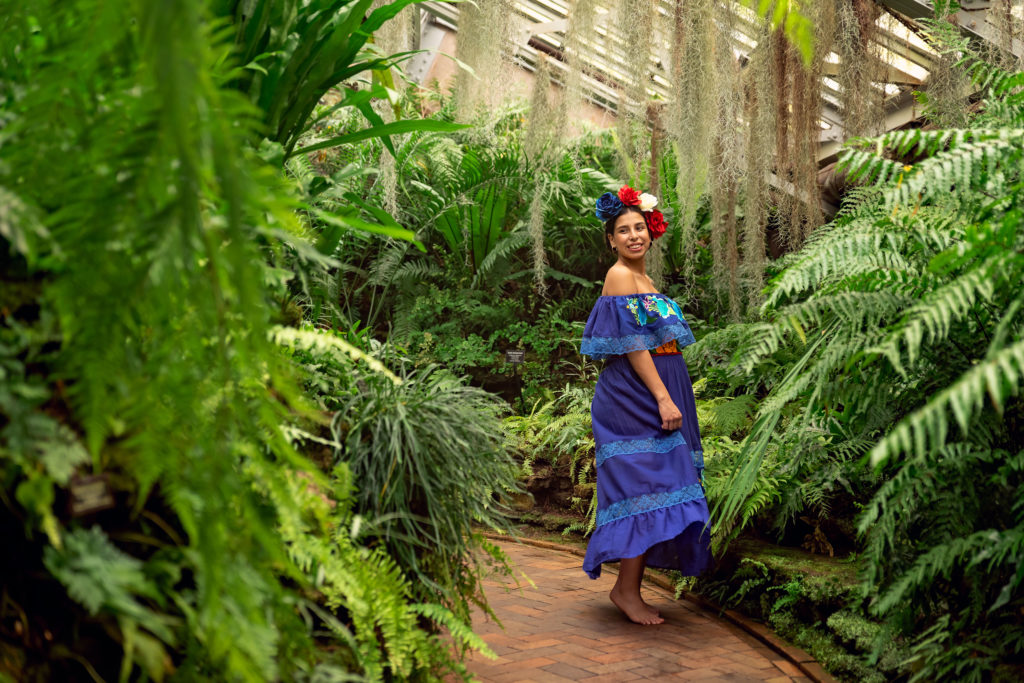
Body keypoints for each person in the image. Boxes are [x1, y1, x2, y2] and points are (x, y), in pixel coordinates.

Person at [579, 185, 711, 625]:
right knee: (641, 486)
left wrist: (673, 393)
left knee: (662, 485)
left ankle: (626, 587)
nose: (633, 235)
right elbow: (634, 345)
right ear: (611, 240)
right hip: (636, 394)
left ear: (650, 233)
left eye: (639, 227)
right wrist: (662, 397)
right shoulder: (619, 275)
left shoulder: (646, 280)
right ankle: (626, 591)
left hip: (662, 384)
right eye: (623, 230)